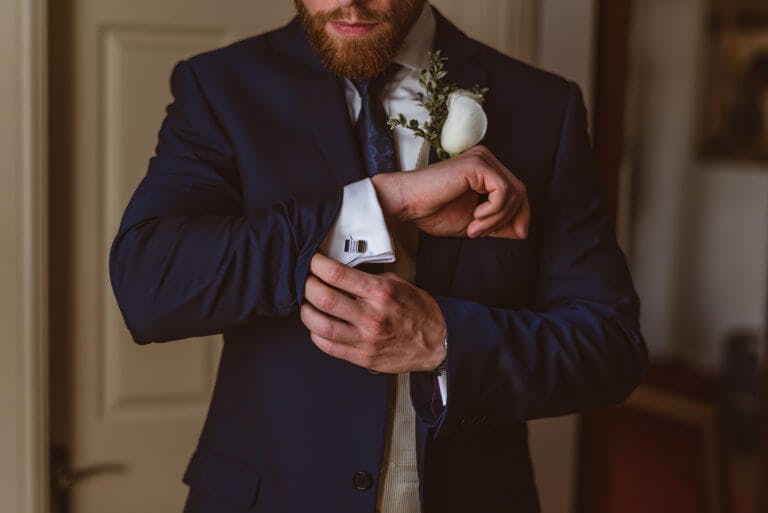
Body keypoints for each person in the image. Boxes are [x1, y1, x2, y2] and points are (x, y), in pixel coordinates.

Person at [108, 0, 648, 511]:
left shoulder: (541, 106)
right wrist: (384, 203)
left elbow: (609, 348)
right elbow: (149, 284)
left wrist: (442, 341)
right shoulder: (220, 87)